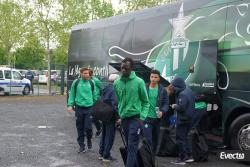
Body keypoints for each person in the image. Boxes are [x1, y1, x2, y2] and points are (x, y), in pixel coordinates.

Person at [114, 57, 150, 167]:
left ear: (132, 68)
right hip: (124, 119)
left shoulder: (139, 82)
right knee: (130, 147)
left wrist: (142, 117)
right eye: (122, 68)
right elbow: (119, 101)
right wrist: (120, 116)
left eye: (126, 68)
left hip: (136, 118)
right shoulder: (116, 83)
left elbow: (145, 102)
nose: (123, 70)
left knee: (132, 146)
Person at [67, 67, 97, 153]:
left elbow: (95, 95)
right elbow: (72, 94)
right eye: (85, 73)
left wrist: (93, 104)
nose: (87, 75)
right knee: (79, 128)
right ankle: (81, 146)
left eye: (88, 73)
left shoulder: (92, 82)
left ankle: (89, 140)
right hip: (79, 109)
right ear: (81, 74)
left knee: (88, 128)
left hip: (89, 109)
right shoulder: (76, 82)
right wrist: (70, 105)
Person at [170, 76, 195, 165]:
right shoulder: (189, 90)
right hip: (190, 118)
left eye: (174, 86)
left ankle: (182, 158)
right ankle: (189, 156)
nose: (173, 88)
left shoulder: (182, 94)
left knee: (180, 139)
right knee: (186, 138)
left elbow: (181, 108)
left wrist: (174, 106)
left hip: (183, 119)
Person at [143, 69, 169, 153]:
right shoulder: (144, 87)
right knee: (148, 139)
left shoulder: (162, 90)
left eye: (155, 77)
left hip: (157, 119)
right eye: (151, 77)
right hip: (147, 118)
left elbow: (166, 103)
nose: (153, 79)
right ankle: (148, 157)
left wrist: (163, 111)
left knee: (156, 140)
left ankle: (152, 157)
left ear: (159, 79)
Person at [99, 74, 119, 162]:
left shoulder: (105, 88)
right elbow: (115, 104)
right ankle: (106, 155)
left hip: (103, 114)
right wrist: (118, 117)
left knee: (104, 134)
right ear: (116, 81)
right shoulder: (114, 90)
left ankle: (101, 153)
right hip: (110, 115)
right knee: (110, 136)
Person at [89, 69, 102, 137]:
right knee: (89, 117)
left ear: (90, 75)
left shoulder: (96, 80)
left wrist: (98, 97)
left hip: (95, 100)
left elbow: (102, 88)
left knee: (93, 117)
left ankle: (99, 128)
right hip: (88, 101)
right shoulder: (86, 80)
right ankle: (89, 132)